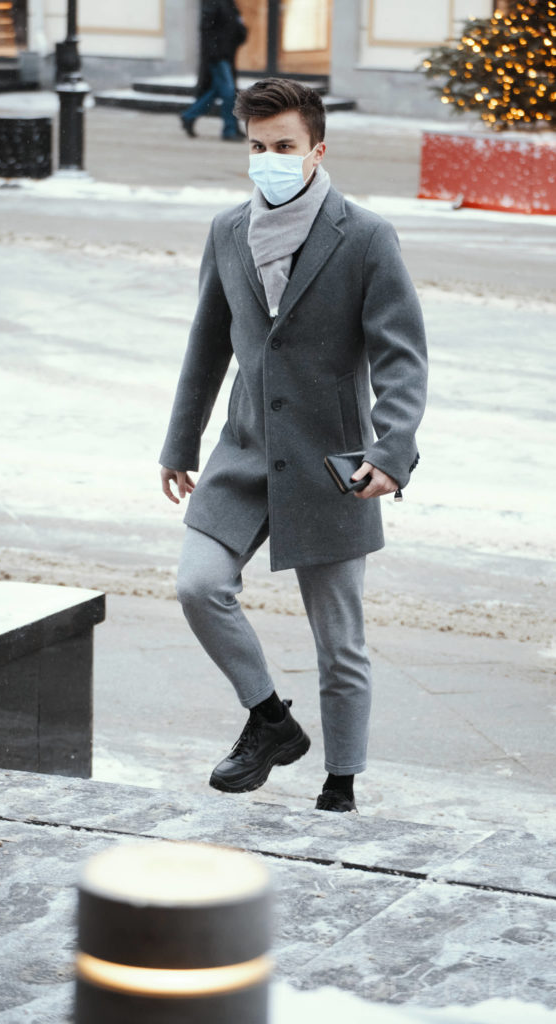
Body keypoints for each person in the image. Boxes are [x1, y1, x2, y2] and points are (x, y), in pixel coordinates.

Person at [160, 79, 427, 813]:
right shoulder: (227, 231)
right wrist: (180, 442)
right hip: (243, 454)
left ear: (317, 149)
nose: (269, 159)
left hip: (334, 465)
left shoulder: (365, 236)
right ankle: (270, 720)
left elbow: (401, 357)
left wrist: (391, 450)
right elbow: (206, 344)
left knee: (338, 641)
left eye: (284, 146)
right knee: (198, 585)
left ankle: (340, 782)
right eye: (257, 146)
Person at [180, 0, 247, 141]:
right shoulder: (214, 3)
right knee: (228, 93)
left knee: (218, 90)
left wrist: (241, 32)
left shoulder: (229, 4)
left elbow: (236, 27)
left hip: (226, 55)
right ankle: (229, 130)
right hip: (218, 57)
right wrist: (214, 53)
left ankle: (189, 116)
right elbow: (207, 30)